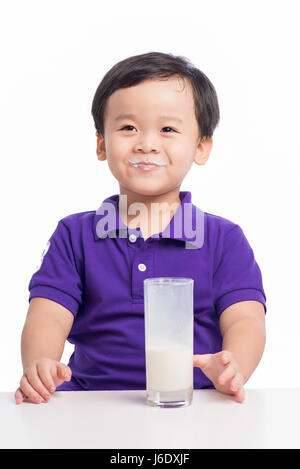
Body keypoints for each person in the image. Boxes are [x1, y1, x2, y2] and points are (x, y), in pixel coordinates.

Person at [15, 51, 266, 405]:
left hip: (194, 402)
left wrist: (234, 363)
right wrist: (39, 362)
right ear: (102, 143)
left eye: (167, 129)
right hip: (89, 402)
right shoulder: (75, 235)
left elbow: (246, 319)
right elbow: (47, 313)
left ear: (201, 147)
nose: (146, 143)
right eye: (128, 127)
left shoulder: (224, 240)